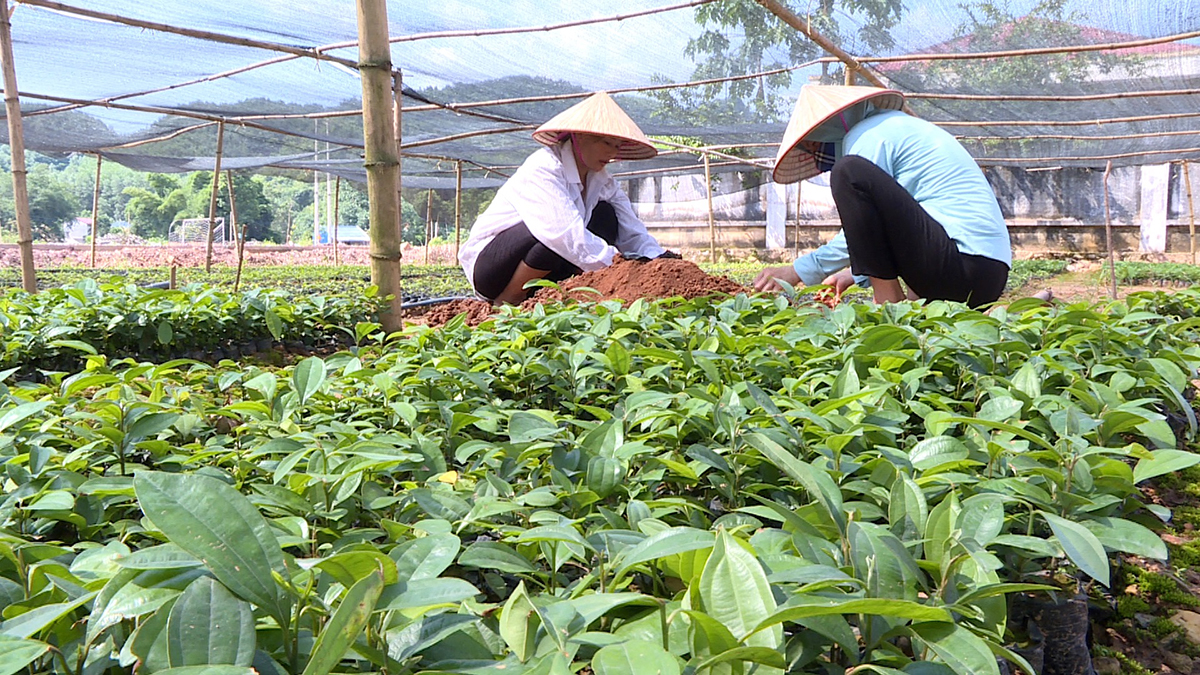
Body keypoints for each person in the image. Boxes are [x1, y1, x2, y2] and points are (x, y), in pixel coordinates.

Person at [752, 85, 1012, 308]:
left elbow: (860, 225)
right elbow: (889, 225)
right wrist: (855, 276)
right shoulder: (896, 127)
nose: (816, 155)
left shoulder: (867, 135)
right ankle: (909, 303)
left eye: (813, 144)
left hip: (962, 265)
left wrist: (797, 271)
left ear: (832, 125)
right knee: (853, 173)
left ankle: (888, 301)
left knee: (848, 172)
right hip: (987, 276)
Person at [459, 92, 678, 304]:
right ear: (580, 136)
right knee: (550, 238)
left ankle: (569, 290)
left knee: (607, 217)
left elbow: (631, 229)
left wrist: (655, 258)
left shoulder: (603, 181)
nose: (612, 154)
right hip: (493, 268)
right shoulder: (544, 168)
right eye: (605, 143)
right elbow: (563, 234)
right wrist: (621, 264)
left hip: (547, 262)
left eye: (616, 146)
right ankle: (510, 298)